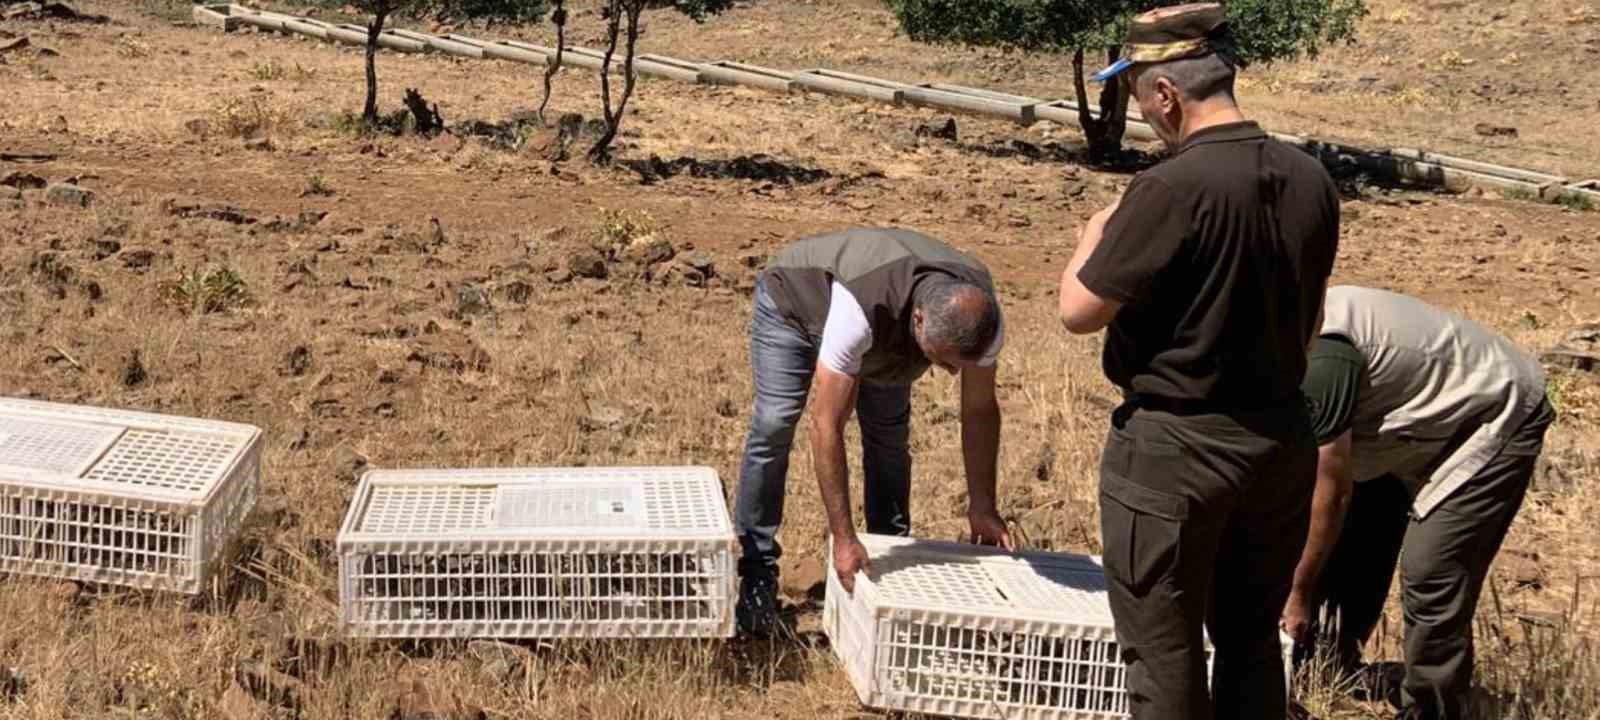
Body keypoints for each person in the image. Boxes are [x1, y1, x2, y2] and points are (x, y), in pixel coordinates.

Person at [1057, 4, 1341, 718]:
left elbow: (1078, 312)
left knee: (1165, 651)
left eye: (1140, 93)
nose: (1144, 113)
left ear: (1167, 95)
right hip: (1280, 443)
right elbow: (1307, 330)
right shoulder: (1311, 179)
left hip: (1176, 449)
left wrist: (1094, 234)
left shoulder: (1172, 187)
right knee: (1250, 641)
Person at [1283, 285, 1555, 720]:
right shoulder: (1269, 347)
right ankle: (1328, 666)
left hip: (1493, 411)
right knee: (1353, 542)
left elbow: (1328, 494)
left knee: (1433, 569)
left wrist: (1295, 594)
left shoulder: (1321, 361)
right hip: (1400, 420)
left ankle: (1432, 707)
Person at [734, 227, 1014, 636]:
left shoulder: (981, 317)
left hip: (892, 328)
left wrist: (983, 505)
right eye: (944, 361)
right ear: (918, 321)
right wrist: (842, 537)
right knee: (775, 424)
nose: (954, 373)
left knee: (888, 435)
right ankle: (756, 572)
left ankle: (887, 558)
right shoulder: (861, 308)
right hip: (795, 303)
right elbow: (826, 424)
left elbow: (979, 410)